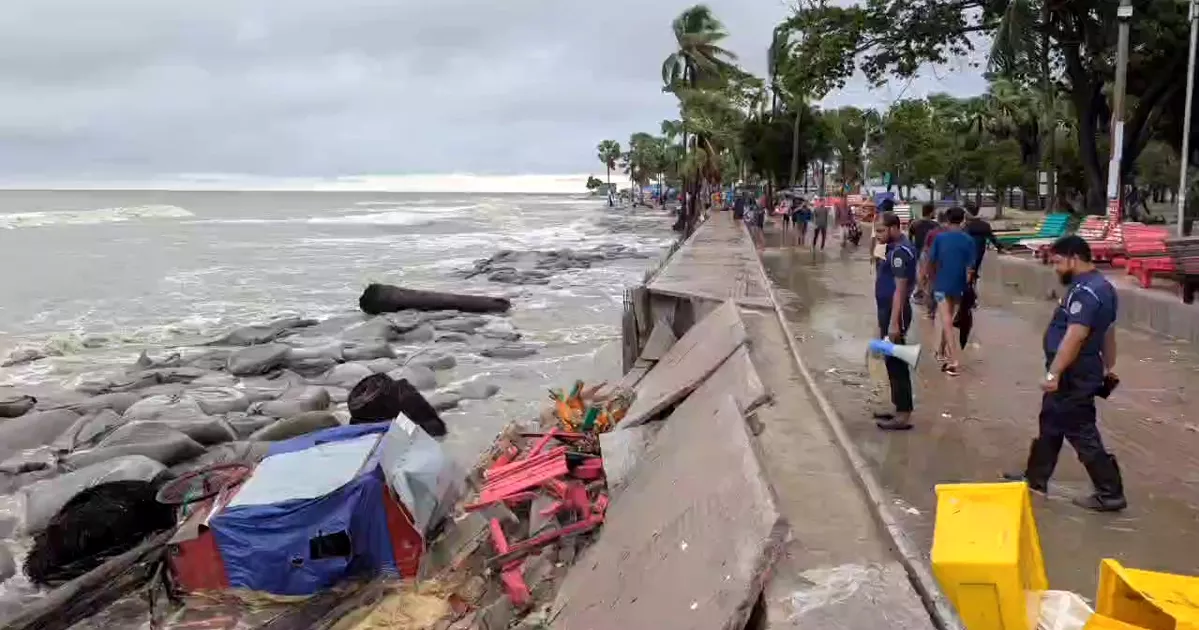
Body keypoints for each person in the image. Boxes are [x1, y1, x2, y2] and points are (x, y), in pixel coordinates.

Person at [1004, 236, 1126, 512]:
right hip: (1077, 370)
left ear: (1075, 258)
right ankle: (1035, 479)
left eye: (1058, 262)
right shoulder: (1102, 287)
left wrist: (1054, 373)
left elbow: (1076, 335)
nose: (1056, 268)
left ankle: (1110, 492)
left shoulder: (1086, 292)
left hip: (1073, 373)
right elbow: (1108, 332)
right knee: (1050, 423)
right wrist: (1110, 367)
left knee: (1081, 430)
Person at [872, 211, 918, 430]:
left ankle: (903, 414)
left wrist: (893, 323)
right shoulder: (892, 248)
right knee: (890, 360)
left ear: (894, 228)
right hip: (886, 310)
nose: (877, 235)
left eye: (881, 230)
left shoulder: (900, 252)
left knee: (897, 362)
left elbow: (900, 289)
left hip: (894, 312)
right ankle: (898, 407)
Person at [926, 206, 975, 376]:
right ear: (963, 220)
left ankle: (953, 359)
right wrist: (966, 284)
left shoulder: (940, 238)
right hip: (959, 285)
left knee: (946, 320)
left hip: (941, 284)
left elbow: (931, 261)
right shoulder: (968, 240)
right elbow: (970, 269)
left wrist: (930, 280)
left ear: (947, 220)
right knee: (950, 316)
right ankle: (941, 351)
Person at [908, 204, 939, 302]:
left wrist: (912, 247)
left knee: (920, 272)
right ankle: (927, 293)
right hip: (930, 250)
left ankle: (920, 292)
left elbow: (910, 237)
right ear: (931, 212)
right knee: (930, 273)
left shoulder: (915, 223)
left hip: (918, 249)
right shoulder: (935, 225)